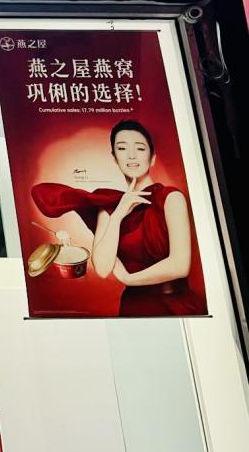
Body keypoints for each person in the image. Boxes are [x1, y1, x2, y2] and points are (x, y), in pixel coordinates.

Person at [30, 119, 204, 316]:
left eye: (140, 148)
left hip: (175, 306)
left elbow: (180, 265)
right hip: (133, 308)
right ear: (114, 158)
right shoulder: (110, 207)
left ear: (153, 158)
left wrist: (129, 279)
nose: (131, 155)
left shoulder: (171, 198)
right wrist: (118, 215)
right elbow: (103, 268)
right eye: (122, 148)